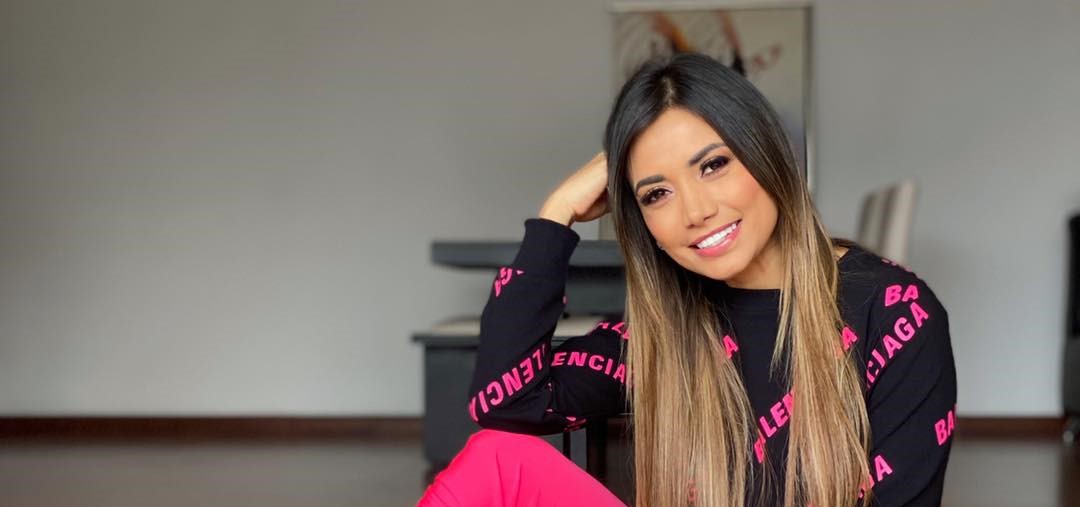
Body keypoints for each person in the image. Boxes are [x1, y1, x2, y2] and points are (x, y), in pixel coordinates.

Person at [417, 52, 956, 507]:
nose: (696, 211)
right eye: (657, 194)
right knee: (496, 458)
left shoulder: (896, 313)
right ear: (643, 224)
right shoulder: (669, 326)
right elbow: (504, 401)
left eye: (713, 165)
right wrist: (557, 213)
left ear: (766, 153)